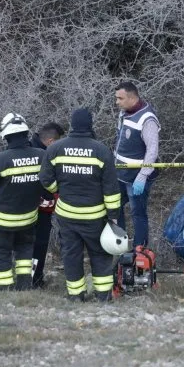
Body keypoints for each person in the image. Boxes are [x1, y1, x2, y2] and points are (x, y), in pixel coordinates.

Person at [39, 108, 121, 302]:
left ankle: (76, 295)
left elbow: (45, 178)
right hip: (95, 216)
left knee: (71, 255)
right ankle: (103, 296)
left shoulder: (55, 148)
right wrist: (113, 216)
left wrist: (59, 190)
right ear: (90, 125)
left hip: (67, 215)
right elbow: (110, 188)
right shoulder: (101, 150)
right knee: (100, 255)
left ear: (72, 125)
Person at [0, 113, 46, 291]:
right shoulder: (42, 156)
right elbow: (46, 182)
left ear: (6, 136)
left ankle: (5, 290)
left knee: (1, 252)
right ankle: (24, 287)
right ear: (26, 133)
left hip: (2, 220)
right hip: (29, 218)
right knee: (25, 252)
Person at [114, 81, 160, 248]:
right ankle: (120, 244)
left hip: (137, 178)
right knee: (115, 207)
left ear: (132, 98)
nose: (117, 102)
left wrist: (143, 175)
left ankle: (140, 250)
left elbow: (152, 150)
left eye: (120, 98)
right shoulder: (124, 113)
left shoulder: (147, 119)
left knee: (137, 213)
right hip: (120, 174)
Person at [29, 122, 66, 288]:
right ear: (51, 141)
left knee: (26, 246)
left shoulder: (29, 148)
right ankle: (35, 280)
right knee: (38, 244)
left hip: (27, 207)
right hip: (40, 208)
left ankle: (30, 278)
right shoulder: (44, 154)